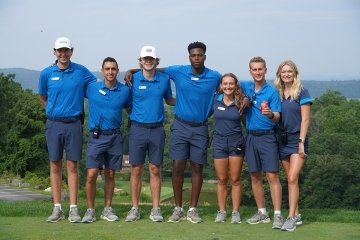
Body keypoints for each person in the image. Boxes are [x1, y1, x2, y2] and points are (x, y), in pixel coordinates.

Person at [125, 41, 221, 223]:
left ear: (204, 57)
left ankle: (192, 209)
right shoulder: (178, 71)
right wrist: (131, 70)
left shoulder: (215, 76)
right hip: (178, 125)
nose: (197, 58)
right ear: (189, 57)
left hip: (200, 126)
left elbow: (227, 85)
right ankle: (177, 209)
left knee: (196, 168)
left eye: (200, 55)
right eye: (194, 55)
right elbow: (155, 69)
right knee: (177, 166)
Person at [38, 37, 97, 223]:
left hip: (73, 123)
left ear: (72, 51)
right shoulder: (46, 73)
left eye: (66, 50)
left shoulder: (81, 71)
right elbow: (42, 97)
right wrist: (54, 111)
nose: (63, 54)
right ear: (54, 52)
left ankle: (73, 209)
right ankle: (57, 208)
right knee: (55, 164)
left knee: (72, 165)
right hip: (54, 123)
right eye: (59, 50)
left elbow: (95, 87)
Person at [125, 46, 175, 223]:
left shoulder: (164, 79)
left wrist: (189, 100)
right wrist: (136, 115)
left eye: (151, 58)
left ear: (156, 61)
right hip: (137, 128)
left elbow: (169, 99)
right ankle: (135, 208)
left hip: (157, 129)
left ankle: (156, 209)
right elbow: (127, 103)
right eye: (145, 58)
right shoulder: (132, 79)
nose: (148, 61)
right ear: (140, 61)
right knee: (136, 169)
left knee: (155, 169)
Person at [81, 57, 131, 223]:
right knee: (92, 174)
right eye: (107, 69)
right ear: (102, 71)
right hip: (96, 137)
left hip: (115, 137)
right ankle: (90, 210)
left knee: (110, 174)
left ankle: (107, 209)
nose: (110, 72)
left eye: (113, 69)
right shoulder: (92, 88)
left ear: (117, 71)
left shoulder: (124, 91)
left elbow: (132, 110)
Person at [241, 56, 284, 229]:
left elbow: (277, 117)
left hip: (268, 136)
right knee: (254, 175)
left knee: (272, 175)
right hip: (251, 136)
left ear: (266, 70)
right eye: (254, 69)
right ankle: (262, 212)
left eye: (260, 69)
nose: (257, 72)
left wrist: (269, 115)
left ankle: (278, 215)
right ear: (250, 71)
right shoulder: (245, 86)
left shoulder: (272, 92)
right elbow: (227, 84)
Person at [273, 60, 312, 231]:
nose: (286, 74)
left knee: (292, 178)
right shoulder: (278, 93)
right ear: (279, 75)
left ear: (295, 74)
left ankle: (290, 218)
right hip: (282, 140)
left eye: (289, 71)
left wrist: (302, 142)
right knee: (291, 180)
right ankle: (297, 214)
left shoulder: (302, 92)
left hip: (297, 141)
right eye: (283, 72)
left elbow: (305, 119)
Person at [212, 73, 247, 224]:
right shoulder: (215, 100)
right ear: (221, 86)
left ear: (235, 85)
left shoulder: (241, 103)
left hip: (236, 143)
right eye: (225, 84)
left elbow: (247, 122)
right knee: (221, 179)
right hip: (219, 143)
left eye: (231, 83)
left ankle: (235, 212)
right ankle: (222, 211)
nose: (228, 86)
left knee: (235, 179)